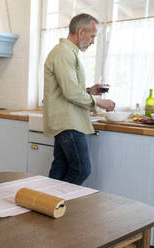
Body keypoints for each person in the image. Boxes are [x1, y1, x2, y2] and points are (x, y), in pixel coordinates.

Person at [43, 13, 115, 185]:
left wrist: (90, 90)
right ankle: (60, 202)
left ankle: (47, 205)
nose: (93, 41)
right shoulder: (64, 53)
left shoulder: (66, 52)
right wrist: (99, 101)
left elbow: (68, 88)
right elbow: (71, 92)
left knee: (60, 168)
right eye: (92, 36)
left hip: (66, 121)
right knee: (82, 169)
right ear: (81, 32)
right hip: (69, 122)